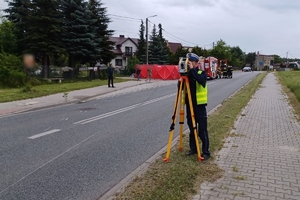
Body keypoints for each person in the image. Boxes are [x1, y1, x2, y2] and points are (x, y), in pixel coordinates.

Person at [185, 53, 210, 160]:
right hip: (189, 105)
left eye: (191, 62)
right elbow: (181, 88)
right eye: (188, 62)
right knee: (192, 128)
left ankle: (205, 152)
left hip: (199, 106)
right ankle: (193, 148)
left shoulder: (201, 72)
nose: (189, 63)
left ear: (196, 63)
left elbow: (201, 80)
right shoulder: (187, 74)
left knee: (202, 130)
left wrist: (192, 70)